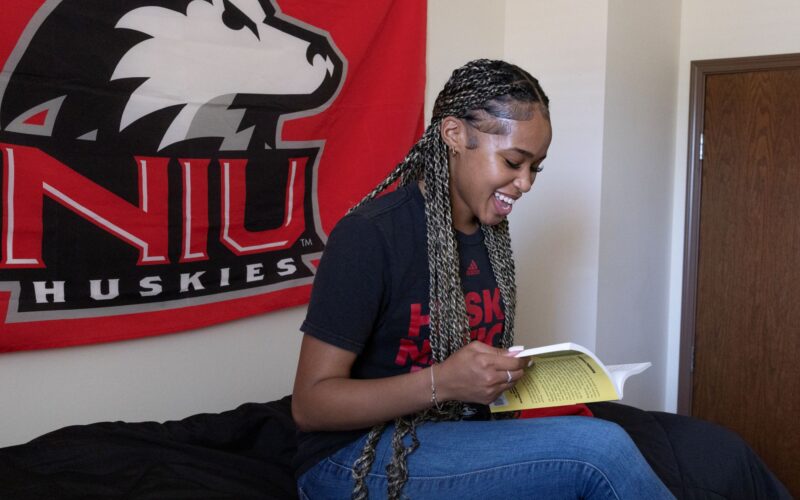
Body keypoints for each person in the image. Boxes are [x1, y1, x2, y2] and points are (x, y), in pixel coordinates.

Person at [291, 59, 674, 499]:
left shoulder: (489, 237)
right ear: (454, 135)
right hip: (353, 455)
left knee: (594, 429)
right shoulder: (370, 235)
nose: (526, 183)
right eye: (514, 161)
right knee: (598, 452)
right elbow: (310, 405)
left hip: (447, 433)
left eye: (536, 168)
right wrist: (444, 382)